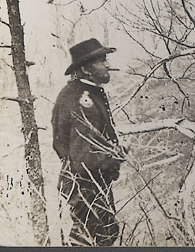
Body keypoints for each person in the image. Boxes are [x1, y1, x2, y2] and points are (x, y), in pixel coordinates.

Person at [52, 38, 125, 246]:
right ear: (85, 68)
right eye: (101, 60)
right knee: (97, 238)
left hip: (89, 186)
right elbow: (84, 157)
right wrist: (112, 159)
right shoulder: (81, 99)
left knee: (99, 235)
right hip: (87, 187)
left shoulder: (83, 93)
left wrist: (113, 152)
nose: (107, 64)